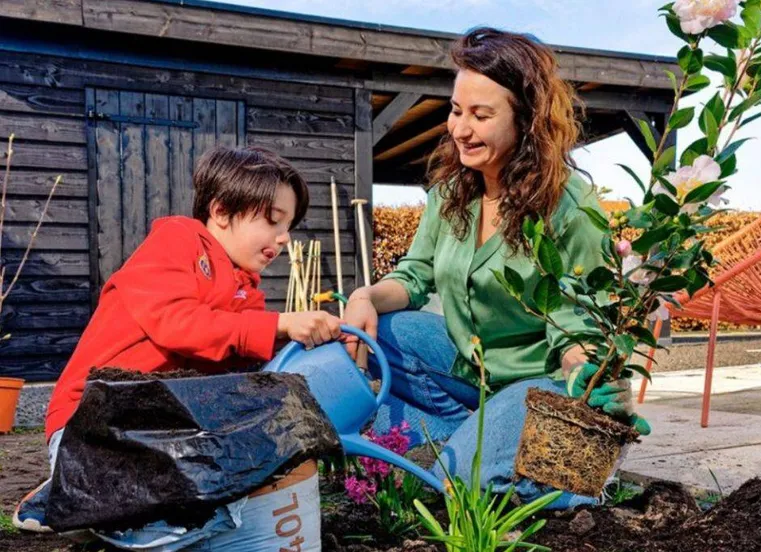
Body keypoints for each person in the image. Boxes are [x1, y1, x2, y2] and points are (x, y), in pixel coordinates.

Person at [344, 28, 650, 509]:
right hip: (470, 372)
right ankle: (478, 443)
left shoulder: (568, 205)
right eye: (456, 110)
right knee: (384, 330)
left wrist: (585, 371)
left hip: (541, 381)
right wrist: (363, 297)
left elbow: (578, 321)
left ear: (526, 122)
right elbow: (414, 276)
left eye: (481, 115)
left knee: (461, 481)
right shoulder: (450, 194)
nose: (460, 129)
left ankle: (559, 478)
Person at [14, 146, 344, 547]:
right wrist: (280, 323)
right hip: (97, 420)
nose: (284, 237)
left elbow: (243, 372)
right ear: (221, 212)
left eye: (289, 224)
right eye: (273, 219)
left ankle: (92, 506)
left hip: (171, 423)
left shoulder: (247, 291)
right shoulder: (178, 241)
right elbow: (177, 323)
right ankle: (69, 489)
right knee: (179, 509)